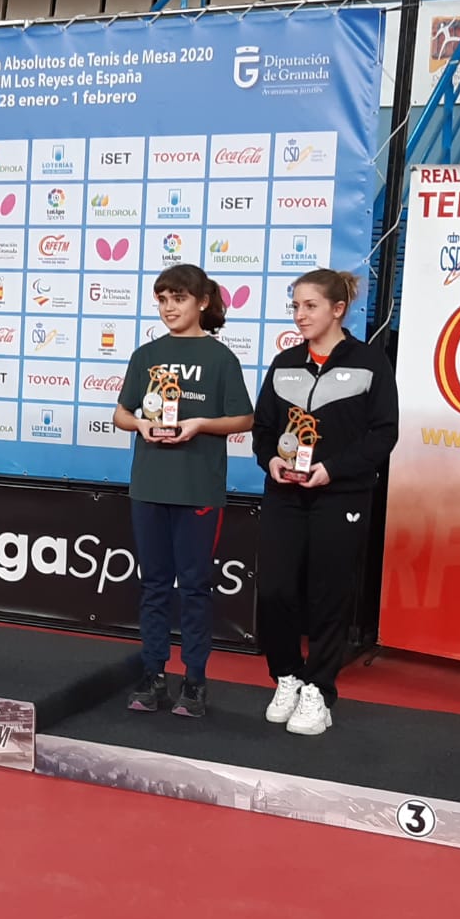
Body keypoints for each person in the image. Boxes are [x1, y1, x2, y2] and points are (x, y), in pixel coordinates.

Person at [253, 268, 399, 736]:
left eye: (309, 306)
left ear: (338, 309)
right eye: (295, 306)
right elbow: (263, 430)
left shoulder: (370, 361)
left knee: (328, 594)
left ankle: (319, 689)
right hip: (285, 494)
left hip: (341, 494)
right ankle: (288, 677)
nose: (300, 315)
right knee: (275, 590)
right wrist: (269, 461)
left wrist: (332, 469)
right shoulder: (285, 364)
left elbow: (384, 434)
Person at [113, 265, 254, 717]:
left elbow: (244, 419)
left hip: (198, 490)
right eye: (162, 299)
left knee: (194, 587)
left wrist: (199, 425)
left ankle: (195, 681)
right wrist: (141, 424)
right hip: (149, 485)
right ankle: (152, 674)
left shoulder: (220, 359)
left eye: (178, 298)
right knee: (153, 585)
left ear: (202, 302)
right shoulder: (146, 354)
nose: (169, 308)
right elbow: (121, 413)